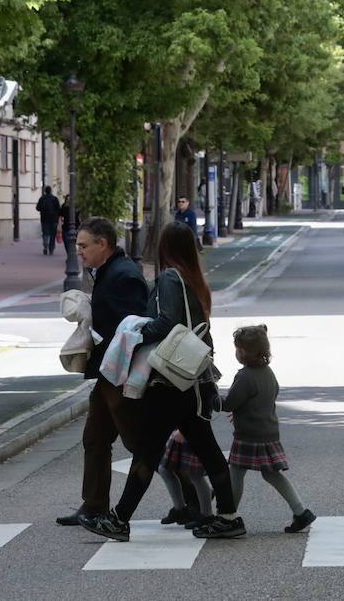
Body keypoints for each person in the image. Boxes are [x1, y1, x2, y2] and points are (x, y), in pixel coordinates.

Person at [82, 222, 244, 542]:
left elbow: (168, 322)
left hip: (168, 382)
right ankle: (228, 516)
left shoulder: (170, 277)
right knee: (208, 451)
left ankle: (119, 519)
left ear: (164, 247)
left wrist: (137, 330)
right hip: (190, 381)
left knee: (147, 450)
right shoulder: (193, 279)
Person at [54, 217, 150, 529]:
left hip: (120, 377)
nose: (78, 252)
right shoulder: (110, 272)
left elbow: (133, 328)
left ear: (102, 245)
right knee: (95, 439)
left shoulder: (123, 275)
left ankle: (192, 498)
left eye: (83, 246)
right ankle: (93, 506)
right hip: (109, 374)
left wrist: (93, 328)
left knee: (143, 445)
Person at [220, 324, 316, 534]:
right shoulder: (268, 372)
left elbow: (229, 403)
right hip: (268, 432)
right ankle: (300, 511)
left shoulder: (245, 376)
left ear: (244, 352)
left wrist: (212, 398)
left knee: (236, 473)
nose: (236, 352)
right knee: (272, 474)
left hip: (249, 435)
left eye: (237, 348)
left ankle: (228, 516)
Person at [156, 431, 214, 527]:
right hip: (179, 426)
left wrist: (182, 431)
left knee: (195, 474)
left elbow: (199, 415)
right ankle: (180, 510)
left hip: (190, 428)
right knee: (164, 469)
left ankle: (207, 516)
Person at [35, 186, 61, 255]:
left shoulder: (42, 198)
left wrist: (43, 210)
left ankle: (45, 245)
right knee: (53, 235)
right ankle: (51, 248)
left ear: (45, 191)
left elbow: (37, 208)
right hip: (54, 220)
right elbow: (59, 209)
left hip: (44, 219)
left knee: (45, 233)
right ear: (51, 191)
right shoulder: (55, 199)